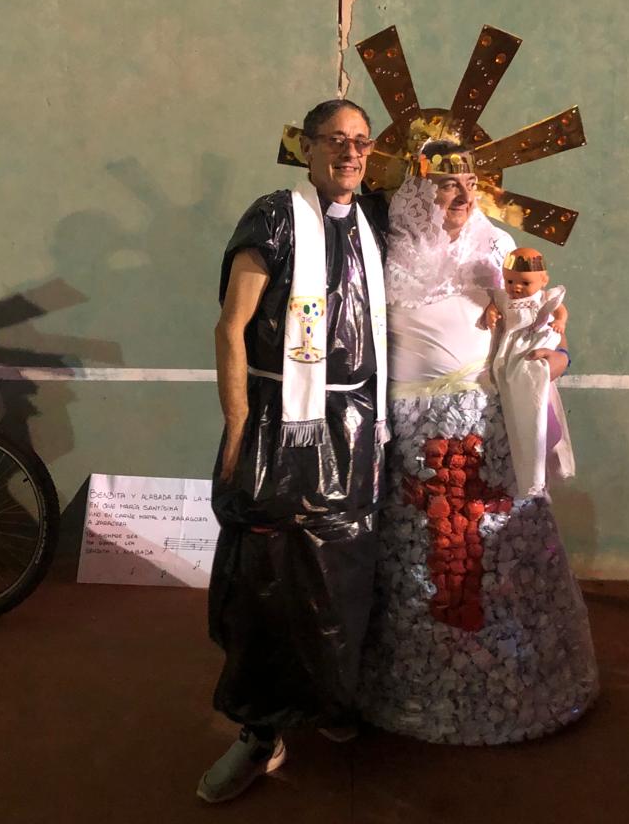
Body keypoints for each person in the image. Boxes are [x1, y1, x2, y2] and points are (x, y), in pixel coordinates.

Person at [358, 140, 598, 745]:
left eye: (469, 181)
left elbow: (533, 320)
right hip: (412, 431)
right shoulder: (382, 251)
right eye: (447, 182)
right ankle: (413, 690)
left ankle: (520, 693)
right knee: (418, 555)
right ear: (418, 189)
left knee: (502, 554)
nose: (463, 193)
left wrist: (557, 353)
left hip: (489, 425)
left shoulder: (495, 247)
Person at [198, 99, 389, 803]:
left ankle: (332, 701)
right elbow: (232, 327)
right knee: (267, 582)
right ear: (306, 147)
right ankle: (259, 732)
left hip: (354, 427)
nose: (350, 152)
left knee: (342, 577)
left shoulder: (373, 224)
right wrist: (237, 423)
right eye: (335, 139)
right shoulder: (276, 218)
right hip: (281, 424)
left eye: (361, 141)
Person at [486, 247, 574, 498]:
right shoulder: (504, 297)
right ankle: (532, 472)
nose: (515, 287)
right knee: (520, 419)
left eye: (524, 283)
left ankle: (544, 466)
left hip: (531, 354)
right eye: (510, 281)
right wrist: (492, 311)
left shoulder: (544, 298)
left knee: (538, 411)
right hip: (509, 357)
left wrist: (560, 324)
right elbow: (496, 303)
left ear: (543, 279)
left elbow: (560, 311)